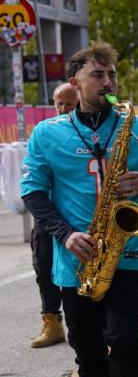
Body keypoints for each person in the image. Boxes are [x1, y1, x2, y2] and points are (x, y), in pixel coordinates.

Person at [21, 42, 138, 377]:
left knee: (124, 342)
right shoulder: (47, 134)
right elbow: (33, 191)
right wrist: (65, 234)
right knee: (86, 350)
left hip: (126, 253)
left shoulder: (137, 127)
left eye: (111, 77)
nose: (107, 84)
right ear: (75, 82)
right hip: (75, 260)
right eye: (98, 76)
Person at [28, 82, 77, 348]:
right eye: (59, 103)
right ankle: (52, 321)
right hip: (47, 215)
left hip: (75, 214)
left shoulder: (83, 132)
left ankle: (83, 322)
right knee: (43, 268)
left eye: (69, 103)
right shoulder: (44, 133)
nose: (63, 108)